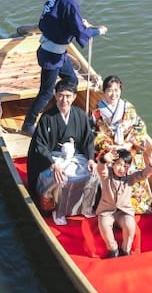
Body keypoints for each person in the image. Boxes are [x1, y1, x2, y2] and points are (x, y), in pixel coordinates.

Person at [21, 0, 107, 137]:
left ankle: (62, 104)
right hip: (52, 55)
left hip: (57, 53)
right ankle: (28, 125)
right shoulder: (70, 3)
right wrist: (98, 31)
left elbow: (52, 20)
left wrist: (76, 22)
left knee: (71, 79)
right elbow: (80, 32)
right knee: (45, 92)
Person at [27, 79, 99, 223]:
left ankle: (85, 207)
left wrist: (91, 159)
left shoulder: (79, 115)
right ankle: (58, 211)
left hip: (75, 157)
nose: (64, 100)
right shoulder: (47, 118)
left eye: (68, 96)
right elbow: (40, 145)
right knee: (59, 178)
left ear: (73, 97)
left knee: (94, 175)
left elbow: (88, 140)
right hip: (52, 159)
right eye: (61, 95)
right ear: (55, 95)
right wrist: (53, 165)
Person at [91, 75, 152, 214]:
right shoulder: (98, 111)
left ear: (121, 90)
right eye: (109, 90)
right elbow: (97, 134)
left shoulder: (129, 108)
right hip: (110, 150)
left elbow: (139, 127)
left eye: (116, 90)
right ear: (104, 92)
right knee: (107, 171)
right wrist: (110, 147)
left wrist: (128, 145)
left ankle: (139, 206)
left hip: (128, 148)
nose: (113, 94)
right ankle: (111, 206)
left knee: (133, 170)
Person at [96, 147, 152, 257]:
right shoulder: (107, 175)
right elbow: (101, 169)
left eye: (125, 166)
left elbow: (143, 174)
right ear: (113, 164)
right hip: (107, 211)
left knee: (130, 225)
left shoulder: (130, 177)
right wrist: (103, 160)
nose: (122, 169)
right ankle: (113, 249)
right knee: (104, 225)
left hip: (124, 212)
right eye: (119, 164)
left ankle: (126, 249)